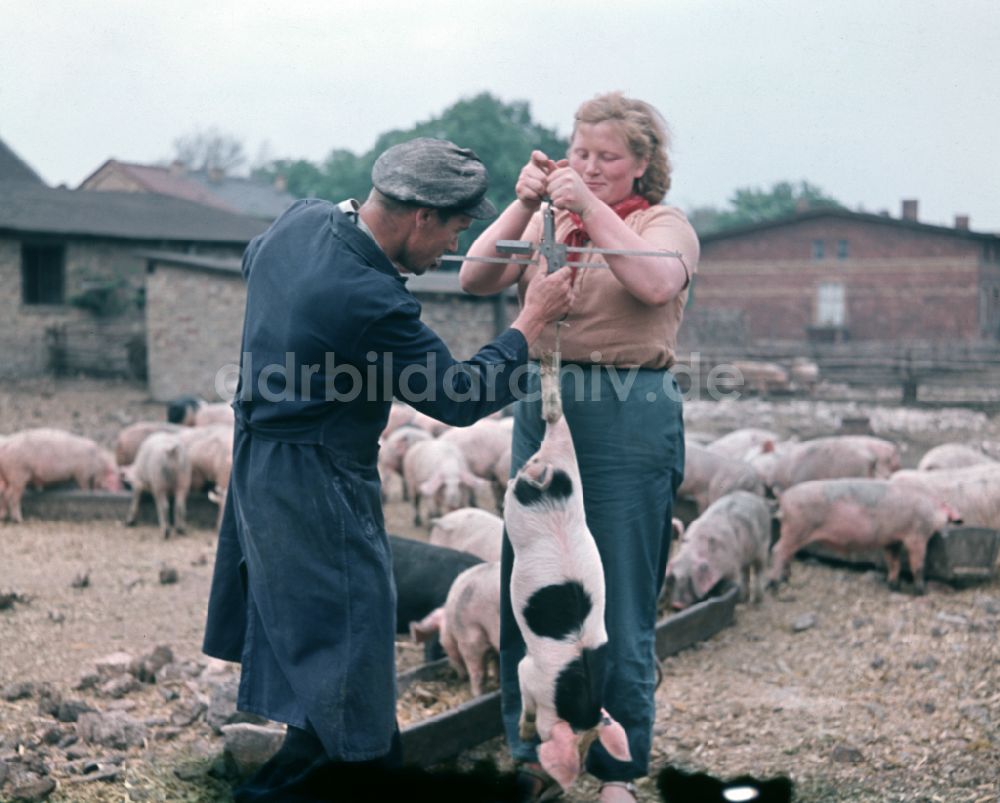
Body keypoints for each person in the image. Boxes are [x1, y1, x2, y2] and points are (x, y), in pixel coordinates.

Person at [201, 137, 574, 802]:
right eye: (455, 229)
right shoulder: (368, 298)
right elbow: (458, 396)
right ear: (420, 217)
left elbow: (252, 258)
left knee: (323, 662)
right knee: (351, 662)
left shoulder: (301, 220)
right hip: (319, 484)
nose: (450, 251)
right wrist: (531, 321)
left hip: (261, 467)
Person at [460, 93, 700, 802]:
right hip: (545, 398)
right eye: (580, 153)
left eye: (607, 157)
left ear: (642, 164)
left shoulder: (666, 225)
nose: (590, 167)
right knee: (530, 587)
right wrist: (525, 202)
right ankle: (539, 752)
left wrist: (585, 207)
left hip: (627, 411)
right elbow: (476, 276)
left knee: (617, 596)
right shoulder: (551, 222)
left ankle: (616, 768)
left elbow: (654, 281)